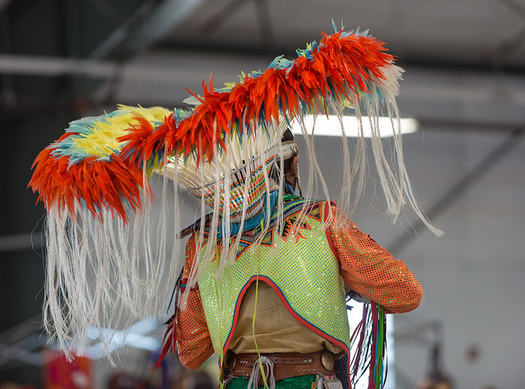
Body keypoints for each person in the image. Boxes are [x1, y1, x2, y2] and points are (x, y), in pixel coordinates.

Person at [169, 130, 423, 389]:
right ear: (290, 164)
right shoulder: (320, 219)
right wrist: (347, 286)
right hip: (309, 381)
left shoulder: (203, 242)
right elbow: (406, 292)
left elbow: (191, 352)